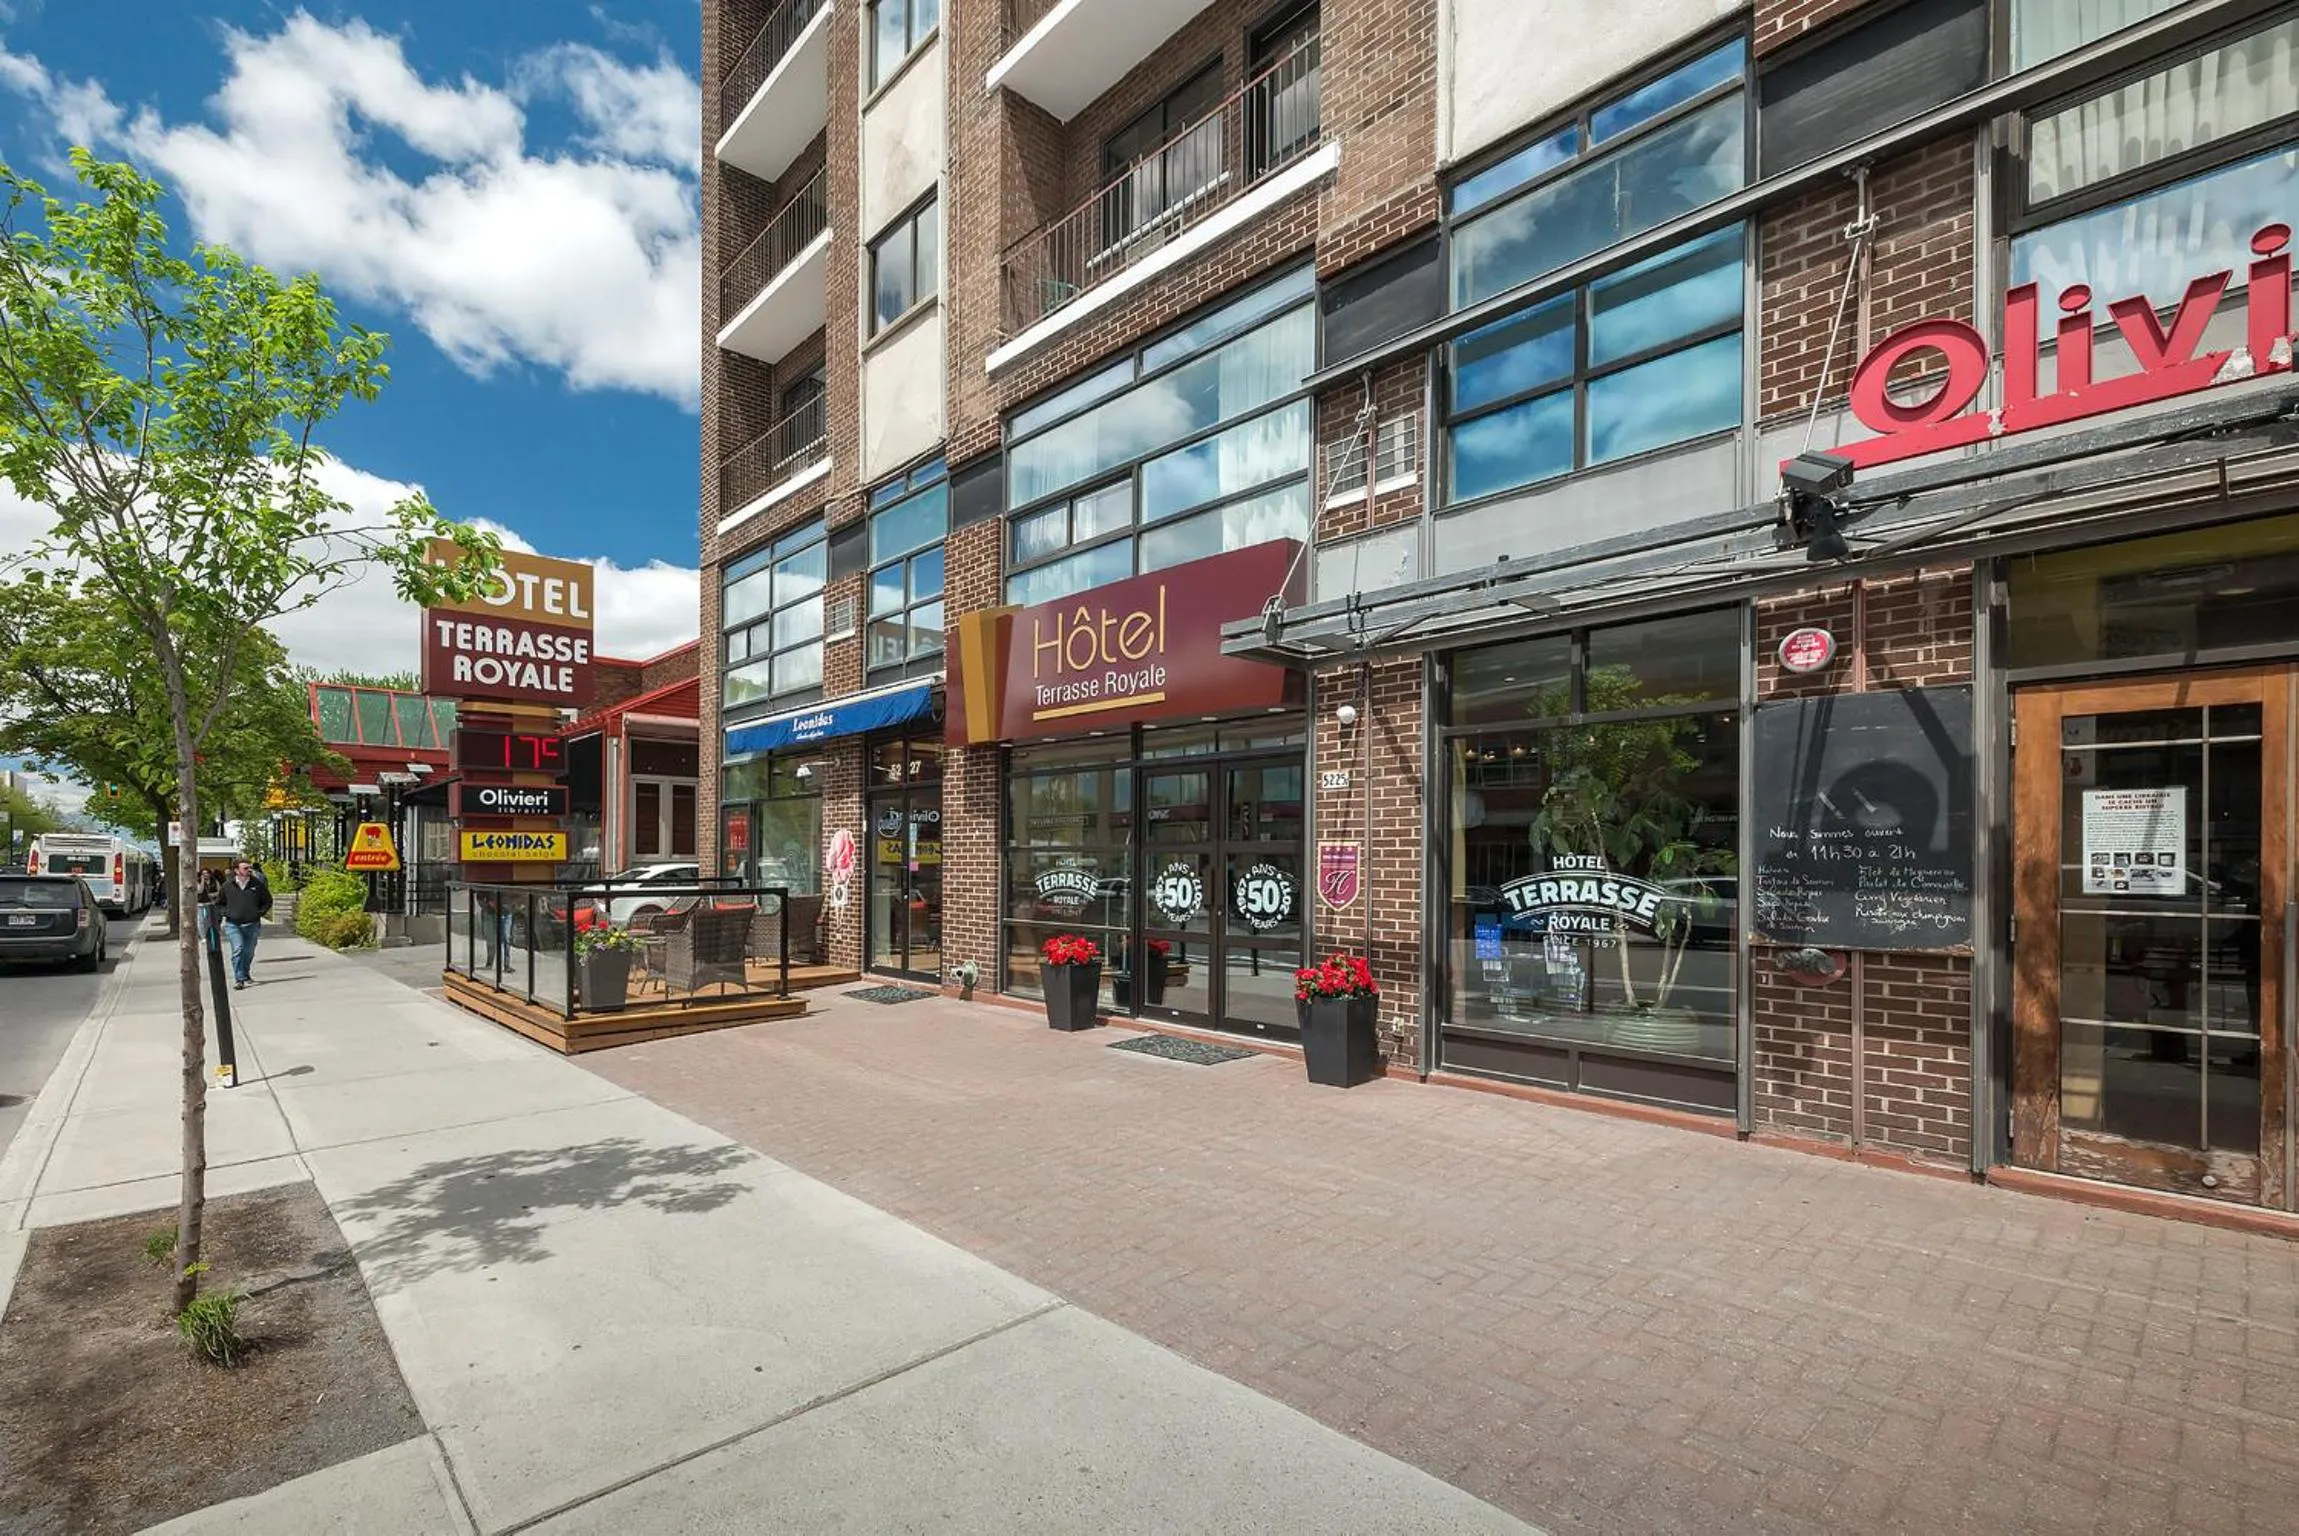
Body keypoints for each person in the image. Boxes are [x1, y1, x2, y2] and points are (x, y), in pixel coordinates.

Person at [218, 858, 272, 990]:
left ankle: (245, 974)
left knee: (248, 952)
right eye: (245, 868)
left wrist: (258, 913)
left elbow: (267, 900)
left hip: (252, 924)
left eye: (250, 868)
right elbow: (220, 903)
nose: (249, 870)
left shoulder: (257, 884)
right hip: (233, 924)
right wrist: (226, 913)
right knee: (238, 949)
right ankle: (239, 979)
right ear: (236, 870)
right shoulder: (228, 886)